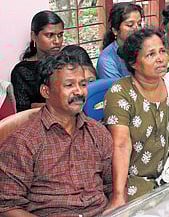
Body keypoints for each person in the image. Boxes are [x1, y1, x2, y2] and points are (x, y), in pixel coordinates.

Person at [0, 51, 113, 216]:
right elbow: (7, 207)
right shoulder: (23, 141)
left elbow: (113, 188)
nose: (79, 92)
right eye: (69, 85)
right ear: (46, 91)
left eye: (82, 84)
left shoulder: (98, 132)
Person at [103, 28, 169, 210]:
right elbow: (121, 145)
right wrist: (118, 196)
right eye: (151, 54)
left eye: (162, 51)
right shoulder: (120, 93)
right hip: (134, 180)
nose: (161, 58)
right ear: (134, 63)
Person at [11, 10, 64, 112]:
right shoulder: (22, 72)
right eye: (49, 35)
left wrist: (37, 106)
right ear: (34, 36)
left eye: (60, 35)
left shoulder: (65, 63)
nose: (57, 41)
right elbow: (24, 112)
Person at [97, 3, 143, 79]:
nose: (137, 28)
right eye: (130, 25)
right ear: (115, 30)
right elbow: (116, 89)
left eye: (139, 24)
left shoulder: (143, 48)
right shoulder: (107, 61)